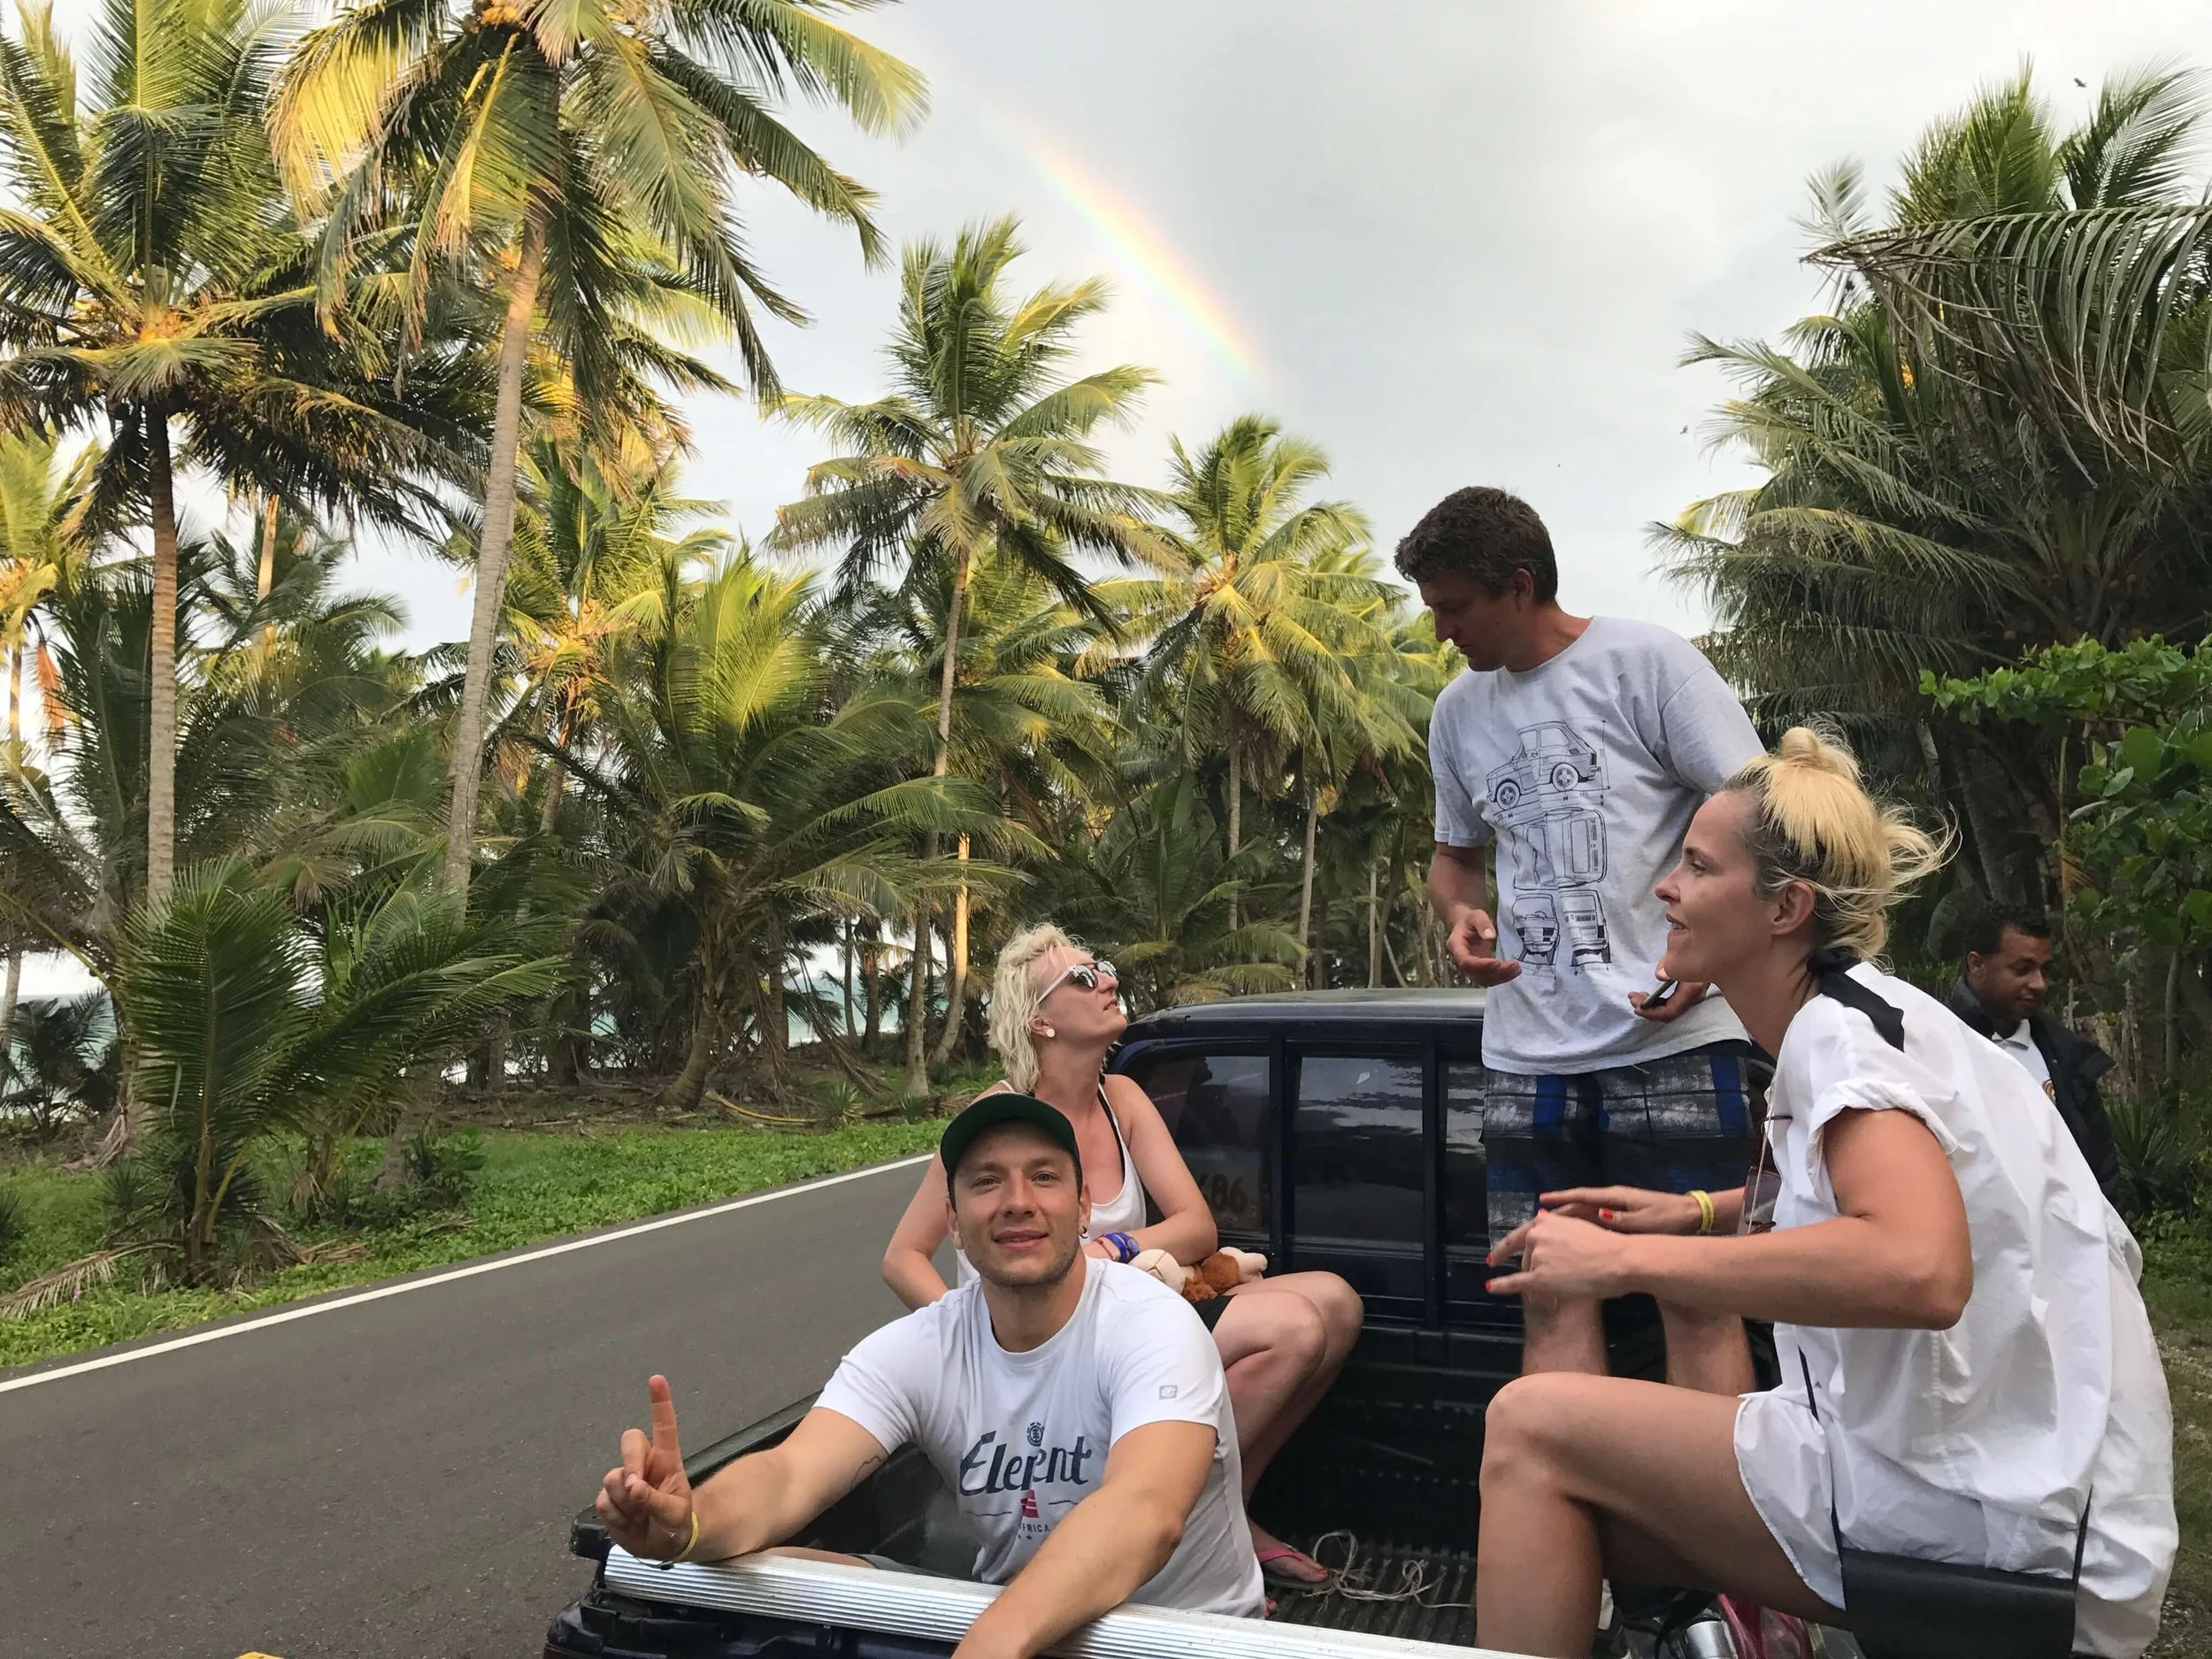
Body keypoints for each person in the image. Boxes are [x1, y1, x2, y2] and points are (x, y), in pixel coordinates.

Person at [1469, 727, 2175, 1659]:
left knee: (1531, 1427)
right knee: (1576, 1506)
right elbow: (1869, 1198)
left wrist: (1624, 1259)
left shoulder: (1840, 1043)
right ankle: (1741, 1635)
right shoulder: (1868, 1015)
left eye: (1695, 866)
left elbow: (1919, 1268)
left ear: (1784, 908)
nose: (1664, 889)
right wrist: (1703, 1214)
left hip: (1997, 1512)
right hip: (2034, 1489)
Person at [595, 1093, 1265, 1659]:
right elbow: (790, 1473)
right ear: (952, 1223)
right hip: (1016, 1624)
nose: (1016, 1201)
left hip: (1181, 1637)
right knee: (761, 1569)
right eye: (984, 1181)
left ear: (1085, 1206)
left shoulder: (1150, 1322)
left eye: (1044, 1176)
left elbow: (1143, 1511)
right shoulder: (922, 1345)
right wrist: (690, 1523)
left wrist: (987, 1644)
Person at [1398, 486, 1767, 1392]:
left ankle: (1709, 1522)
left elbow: (1768, 820)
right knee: (1547, 1291)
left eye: (1452, 607)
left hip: (1672, 1035)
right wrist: (1460, 914)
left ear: (1518, 587)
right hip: (1528, 1054)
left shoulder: (1648, 666)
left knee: (1696, 1291)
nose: (1440, 631)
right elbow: (1454, 859)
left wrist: (1707, 961)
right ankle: (1571, 1518)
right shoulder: (1458, 713)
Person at [883, 924, 1363, 1588]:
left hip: (1132, 1313)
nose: (1108, 980)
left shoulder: (1123, 1099)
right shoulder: (997, 1120)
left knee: (1336, 1301)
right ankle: (1163, 1527)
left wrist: (1111, 1247)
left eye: (1103, 966)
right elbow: (903, 1255)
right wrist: (976, 1348)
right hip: (1051, 1345)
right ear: (1040, 1021)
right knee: (1294, 1327)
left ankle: (1227, 1509)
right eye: (1083, 976)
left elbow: (1195, 1224)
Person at [1948, 903, 2122, 1205]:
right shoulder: (1935, 1049)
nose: (2039, 984)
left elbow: (2100, 1168)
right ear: (1977, 965)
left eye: (2045, 970)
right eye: (2022, 969)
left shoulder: (2068, 1058)